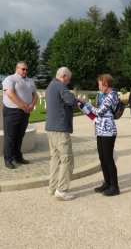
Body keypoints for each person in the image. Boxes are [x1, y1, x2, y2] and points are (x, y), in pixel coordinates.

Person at [78, 74, 120, 196]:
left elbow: (99, 111)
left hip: (108, 131)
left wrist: (86, 103)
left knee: (108, 159)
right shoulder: (106, 94)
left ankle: (115, 186)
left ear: (106, 84)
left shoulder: (111, 95)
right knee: (102, 158)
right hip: (101, 130)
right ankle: (107, 183)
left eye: (100, 84)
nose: (99, 87)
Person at [45, 67, 78, 200]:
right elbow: (70, 101)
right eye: (68, 79)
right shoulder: (61, 86)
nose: (68, 82)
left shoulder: (51, 85)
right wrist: (76, 99)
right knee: (67, 159)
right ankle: (62, 191)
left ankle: (52, 187)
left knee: (55, 158)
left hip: (50, 128)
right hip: (60, 128)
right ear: (64, 76)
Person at [2, 61, 38, 169]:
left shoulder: (30, 81)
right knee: (10, 137)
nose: (25, 71)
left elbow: (35, 94)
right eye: (23, 69)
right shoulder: (10, 79)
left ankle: (17, 156)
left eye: (26, 69)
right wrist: (22, 105)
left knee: (19, 136)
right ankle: (8, 159)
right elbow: (9, 94)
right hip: (12, 112)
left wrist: (32, 105)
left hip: (25, 112)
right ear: (17, 68)